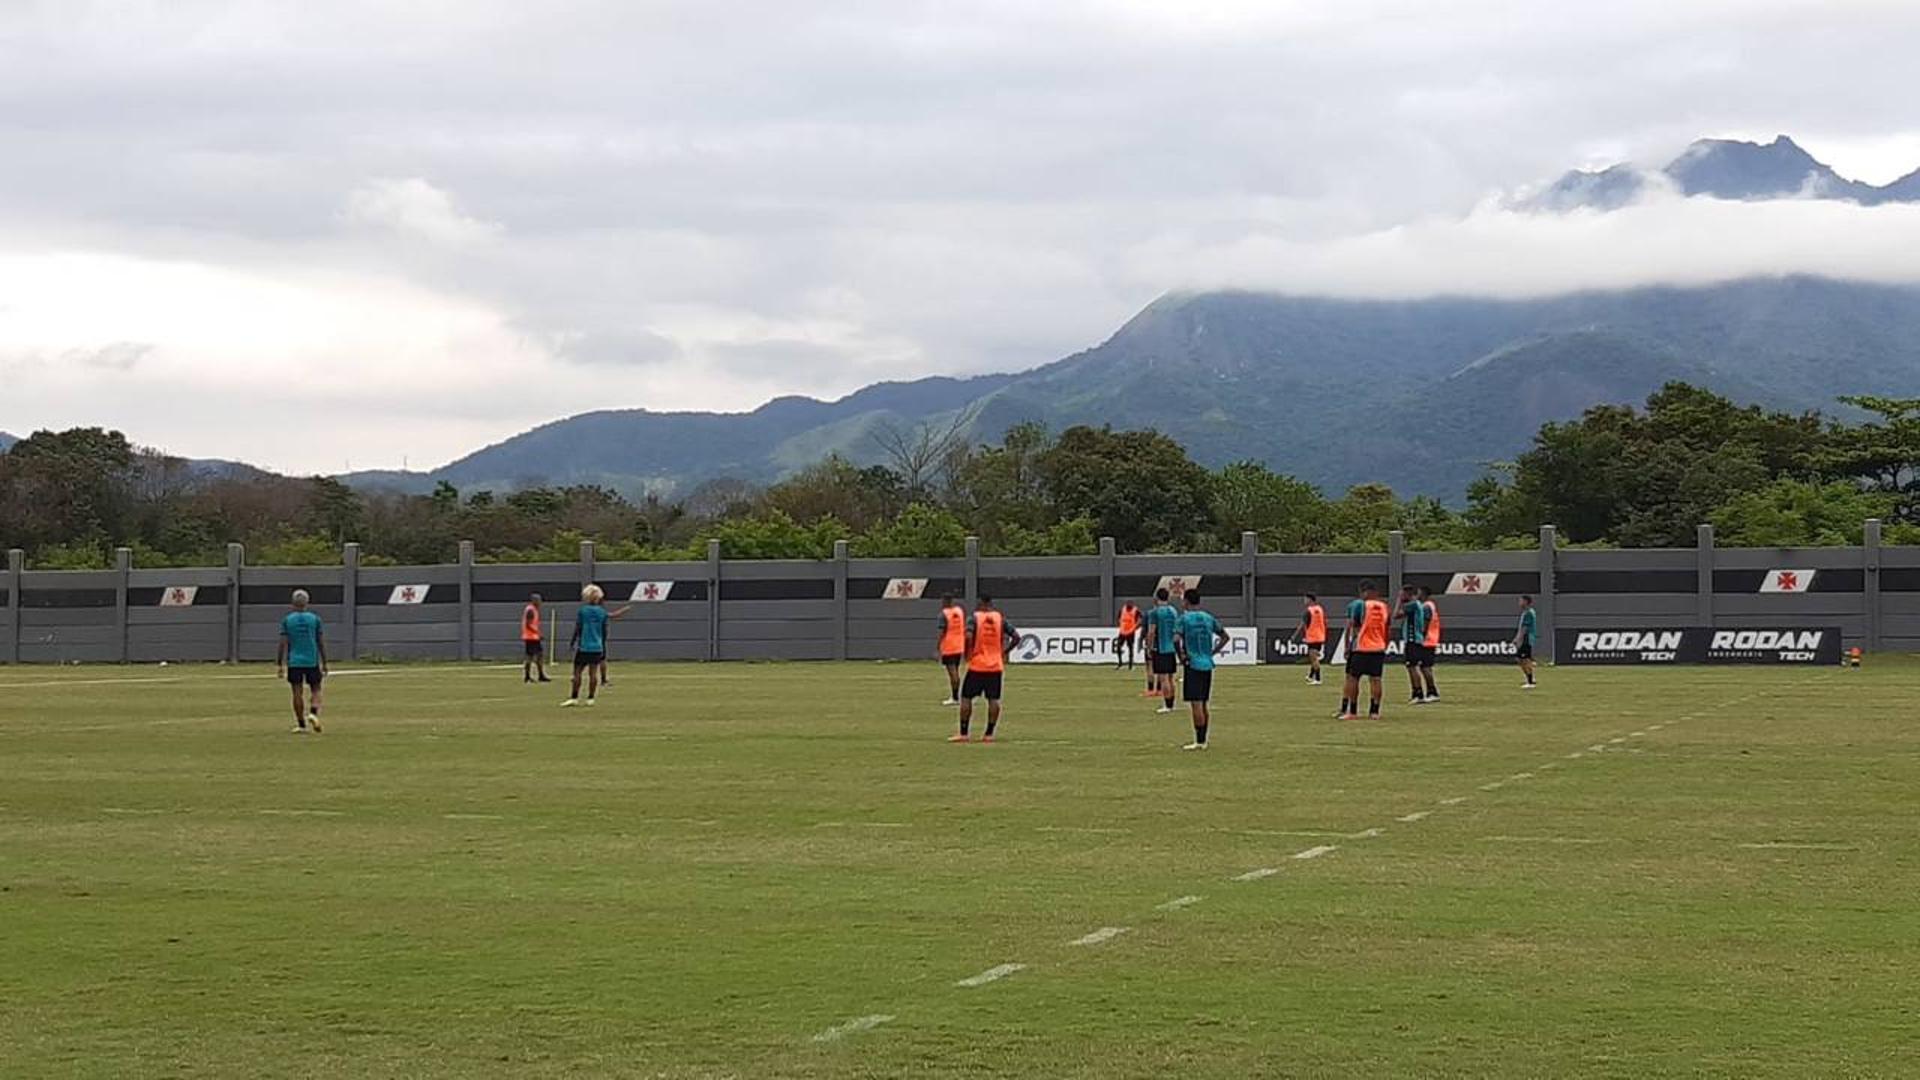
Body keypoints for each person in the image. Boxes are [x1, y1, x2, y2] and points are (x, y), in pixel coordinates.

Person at [951, 595, 1019, 743]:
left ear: (981, 603)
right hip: (995, 666)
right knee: (993, 700)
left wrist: (968, 652)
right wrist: (1004, 652)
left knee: (966, 698)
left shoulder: (974, 618)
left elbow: (968, 636)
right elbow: (1016, 637)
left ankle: (963, 733)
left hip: (977, 665)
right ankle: (989, 734)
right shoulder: (1000, 619)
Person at [1175, 589, 1230, 750]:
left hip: (1193, 664)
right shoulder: (1208, 618)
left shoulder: (1183, 619)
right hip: (1207, 663)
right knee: (1204, 702)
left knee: (1196, 703)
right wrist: (1213, 652)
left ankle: (1198, 741)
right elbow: (1225, 636)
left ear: (1186, 601)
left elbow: (1176, 639)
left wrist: (1181, 657)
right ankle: (1204, 740)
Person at [563, 584, 632, 707]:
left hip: (584, 646)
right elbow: (606, 626)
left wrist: (573, 642)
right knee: (593, 673)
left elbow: (578, 627)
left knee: (577, 672)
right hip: (597, 646)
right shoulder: (602, 612)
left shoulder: (583, 611)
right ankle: (590, 698)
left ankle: (574, 697)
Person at [1339, 580, 1391, 721]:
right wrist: (1385, 644)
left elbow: (1352, 627)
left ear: (1366, 592)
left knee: (1353, 678)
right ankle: (1374, 712)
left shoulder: (1360, 605)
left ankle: (1353, 711)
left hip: (1361, 647)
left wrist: (1347, 646)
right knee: (1376, 679)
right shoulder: (1384, 607)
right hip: (1378, 648)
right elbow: (1388, 628)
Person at [277, 589, 327, 734]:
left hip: (294, 661)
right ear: (307, 602)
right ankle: (313, 713)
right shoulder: (315, 619)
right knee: (316, 689)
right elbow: (320, 641)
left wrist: (280, 663)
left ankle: (301, 724)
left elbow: (283, 643)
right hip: (311, 660)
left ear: (293, 603)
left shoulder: (288, 620)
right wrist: (324, 661)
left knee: (296, 692)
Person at [1146, 588, 1181, 713]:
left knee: (1163, 678)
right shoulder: (1173, 611)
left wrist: (1149, 647)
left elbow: (1151, 631)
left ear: (1156, 597)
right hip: (1171, 647)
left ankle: (1167, 705)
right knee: (1171, 678)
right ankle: (1172, 704)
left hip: (1160, 648)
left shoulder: (1155, 613)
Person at [1395, 585, 1431, 705]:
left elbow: (1396, 615)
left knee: (1412, 667)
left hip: (1412, 639)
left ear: (1408, 594)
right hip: (1417, 639)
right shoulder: (1418, 605)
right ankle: (1418, 693)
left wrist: (1399, 600)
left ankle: (1418, 693)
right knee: (1413, 667)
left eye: (1403, 594)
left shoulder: (1412, 605)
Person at [1291, 593, 1328, 685]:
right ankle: (1310, 676)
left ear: (1310, 599)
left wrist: (1294, 635)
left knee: (1313, 658)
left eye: (1305, 599)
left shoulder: (1308, 611)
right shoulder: (1320, 609)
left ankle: (1318, 679)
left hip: (1312, 637)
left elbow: (1302, 624)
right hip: (1320, 636)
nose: (1304, 601)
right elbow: (1325, 622)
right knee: (1314, 657)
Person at [937, 595, 967, 705]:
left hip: (949, 646)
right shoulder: (959, 611)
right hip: (959, 645)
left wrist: (938, 646)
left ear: (945, 601)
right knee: (956, 672)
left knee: (952, 673)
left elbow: (941, 632)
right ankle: (957, 696)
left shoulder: (943, 614)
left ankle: (955, 698)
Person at [1417, 586, 1442, 702]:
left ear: (1423, 594)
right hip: (1431, 640)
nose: (1417, 595)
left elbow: (1426, 624)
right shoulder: (1431, 605)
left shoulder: (1426, 607)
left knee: (1425, 667)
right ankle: (1431, 691)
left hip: (1427, 641)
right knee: (1426, 667)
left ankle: (1432, 692)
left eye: (1418, 593)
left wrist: (1421, 636)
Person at [522, 592, 550, 684]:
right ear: (533, 600)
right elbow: (528, 624)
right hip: (530, 637)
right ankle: (527, 677)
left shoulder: (534, 609)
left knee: (540, 655)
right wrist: (537, 633)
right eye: (538, 600)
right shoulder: (530, 610)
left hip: (534, 637)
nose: (540, 602)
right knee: (529, 657)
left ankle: (541, 675)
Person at [1515, 594, 1539, 689]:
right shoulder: (1529, 612)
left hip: (1526, 638)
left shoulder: (1528, 613)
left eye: (1521, 601)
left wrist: (1518, 639)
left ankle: (1530, 682)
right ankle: (1530, 678)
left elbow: (1524, 628)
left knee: (1523, 659)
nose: (1519, 603)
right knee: (1522, 659)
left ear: (1525, 602)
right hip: (1527, 638)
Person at [1114, 600, 1142, 670]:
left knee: (1130, 648)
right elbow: (1118, 618)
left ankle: (1130, 665)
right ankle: (1120, 663)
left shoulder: (1136, 610)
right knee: (1118, 647)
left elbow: (1140, 619)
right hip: (1122, 631)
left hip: (1131, 631)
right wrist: (1120, 624)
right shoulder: (1122, 610)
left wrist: (1136, 626)